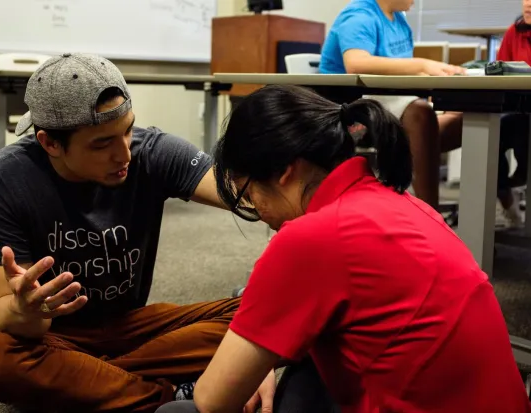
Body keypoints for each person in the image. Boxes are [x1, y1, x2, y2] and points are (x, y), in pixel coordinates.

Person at [156, 85, 531, 413]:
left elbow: (213, 399)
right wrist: (263, 356)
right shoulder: (406, 205)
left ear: (285, 171)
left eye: (249, 192)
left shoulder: (309, 238)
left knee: (178, 410)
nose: (257, 210)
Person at [0, 53, 276, 413]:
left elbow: (248, 196)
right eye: (101, 143)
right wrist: (30, 311)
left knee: (277, 310)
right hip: (55, 336)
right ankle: (175, 396)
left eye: (128, 130)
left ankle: (98, 385)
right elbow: (6, 313)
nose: (124, 153)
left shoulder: (152, 150)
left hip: (134, 327)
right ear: (50, 142)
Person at [319, 0, 465, 209]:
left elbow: (398, 73)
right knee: (421, 115)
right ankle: (429, 215)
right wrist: (422, 65)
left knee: (462, 119)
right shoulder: (359, 16)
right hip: (349, 111)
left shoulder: (398, 21)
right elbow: (356, 63)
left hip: (385, 103)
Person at [493, 9, 531, 227]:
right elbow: (500, 76)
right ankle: (506, 198)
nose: (528, 4)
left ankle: (522, 176)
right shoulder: (514, 33)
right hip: (520, 112)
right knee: (491, 133)